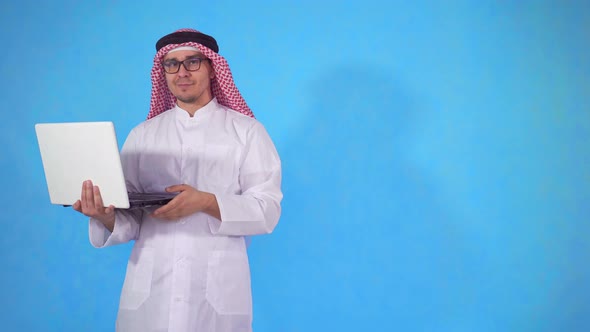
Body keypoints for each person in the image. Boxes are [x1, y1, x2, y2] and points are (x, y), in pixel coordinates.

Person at [72, 28, 282, 331]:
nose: (182, 72)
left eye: (192, 62)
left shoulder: (248, 132)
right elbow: (130, 217)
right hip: (151, 294)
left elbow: (267, 210)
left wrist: (206, 202)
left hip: (216, 297)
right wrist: (106, 215)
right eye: (172, 64)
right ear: (163, 71)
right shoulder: (143, 135)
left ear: (211, 68)